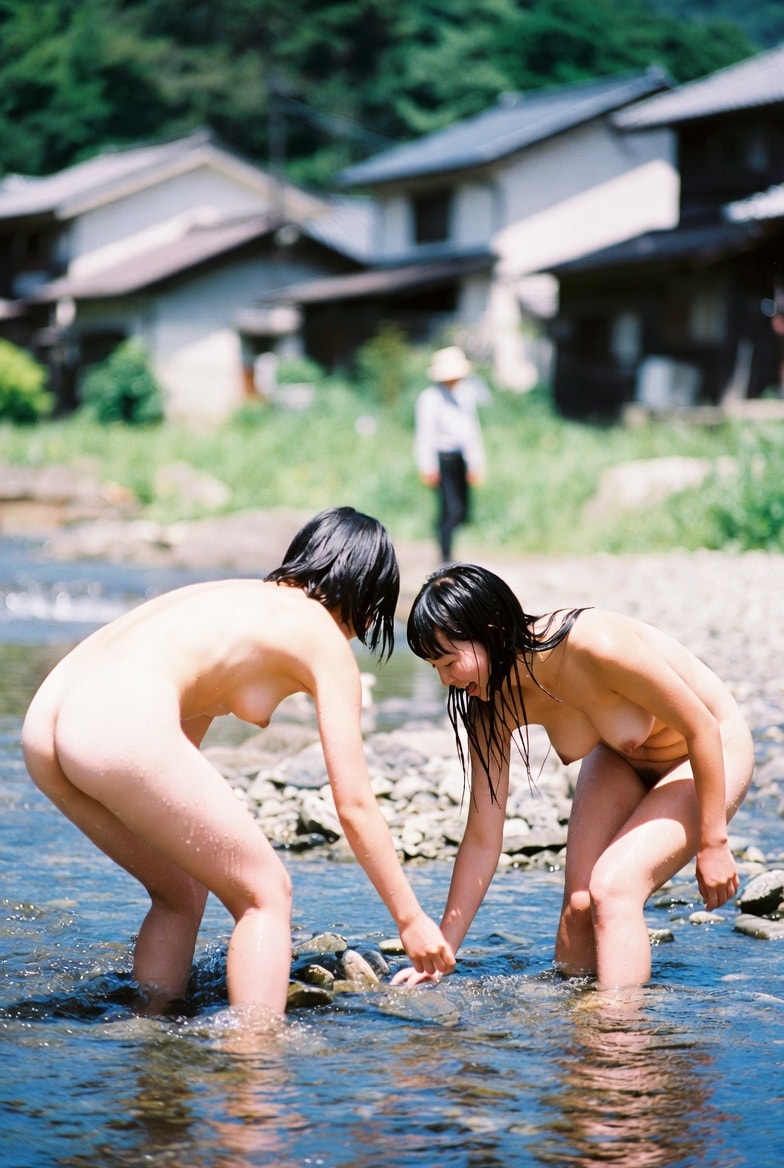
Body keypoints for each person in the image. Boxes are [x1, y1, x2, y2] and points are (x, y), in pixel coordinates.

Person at [22, 507, 455, 1017]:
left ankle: (150, 1032)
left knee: (180, 891)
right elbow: (355, 803)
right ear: (369, 595)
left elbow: (180, 735)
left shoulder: (235, 602)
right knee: (266, 893)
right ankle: (254, 1065)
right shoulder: (319, 632)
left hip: (46, 724)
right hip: (116, 724)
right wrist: (410, 919)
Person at [393, 563, 753, 991]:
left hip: (709, 751)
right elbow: (483, 839)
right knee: (578, 911)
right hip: (621, 757)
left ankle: (618, 1040)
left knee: (613, 888)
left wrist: (713, 844)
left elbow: (702, 727)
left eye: (449, 661)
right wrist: (441, 952)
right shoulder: (486, 705)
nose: (446, 680)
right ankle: (579, 1034)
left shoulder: (594, 644)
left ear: (490, 629)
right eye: (436, 667)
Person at [414, 346, 486, 563]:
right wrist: (427, 466)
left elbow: (471, 432)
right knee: (450, 509)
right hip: (442, 460)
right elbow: (424, 434)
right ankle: (445, 554)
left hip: (460, 459)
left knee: (462, 511)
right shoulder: (430, 398)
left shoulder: (465, 395)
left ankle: (446, 545)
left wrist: (476, 464)